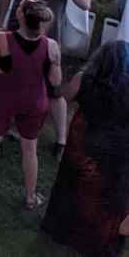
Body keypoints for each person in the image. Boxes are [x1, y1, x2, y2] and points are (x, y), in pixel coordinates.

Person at [0, 0, 89, 147]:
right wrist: (0, 24)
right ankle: (7, 126)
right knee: (13, 82)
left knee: (54, 90)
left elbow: (85, 3)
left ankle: (61, 139)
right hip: (18, 35)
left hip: (48, 40)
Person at [41, 42, 129, 254]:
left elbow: (65, 97)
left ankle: (61, 230)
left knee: (71, 187)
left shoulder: (85, 79)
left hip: (83, 144)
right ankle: (96, 241)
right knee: (105, 197)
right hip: (115, 150)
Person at [0, 0, 60, 208]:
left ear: (21, 16)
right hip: (34, 101)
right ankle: (31, 197)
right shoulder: (51, 46)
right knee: (30, 149)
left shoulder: (3, 38)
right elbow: (55, 82)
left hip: (2, 97)